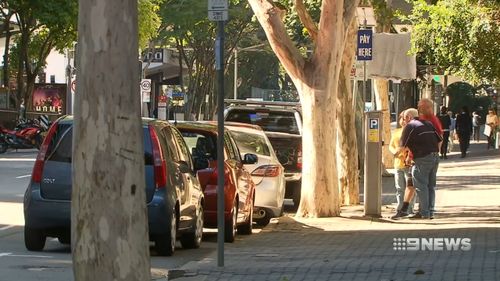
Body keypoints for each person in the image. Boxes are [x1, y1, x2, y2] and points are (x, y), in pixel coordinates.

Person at [400, 108, 442, 219]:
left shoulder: (410, 126)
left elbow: (402, 146)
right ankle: (430, 211)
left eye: (404, 118)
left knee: (421, 186)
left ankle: (424, 213)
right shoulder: (428, 123)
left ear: (409, 117)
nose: (403, 121)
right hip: (435, 157)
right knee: (430, 186)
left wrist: (398, 155)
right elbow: (439, 139)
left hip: (422, 159)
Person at [389, 111, 416, 219]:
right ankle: (400, 209)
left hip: (408, 164)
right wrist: (394, 152)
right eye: (401, 118)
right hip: (397, 164)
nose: (403, 121)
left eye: (405, 119)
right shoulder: (396, 132)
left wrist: (404, 153)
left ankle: (410, 209)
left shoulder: (412, 132)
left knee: (410, 187)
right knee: (399, 188)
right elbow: (391, 145)